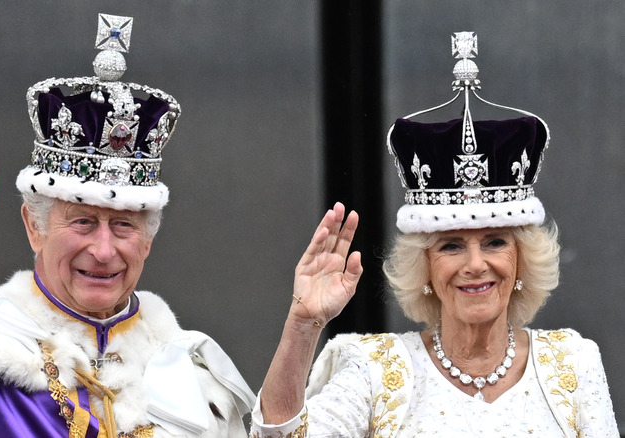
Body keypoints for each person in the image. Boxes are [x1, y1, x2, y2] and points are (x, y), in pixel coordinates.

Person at [0, 13, 254, 437]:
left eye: (123, 226)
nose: (104, 251)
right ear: (34, 227)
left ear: (148, 241)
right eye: (83, 222)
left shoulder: (188, 371)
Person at [250, 32, 618, 437]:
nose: (476, 264)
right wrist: (304, 323)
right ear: (424, 266)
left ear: (523, 259)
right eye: (451, 245)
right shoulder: (377, 370)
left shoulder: (573, 364)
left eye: (495, 241)